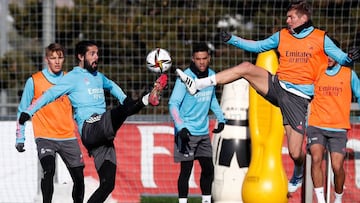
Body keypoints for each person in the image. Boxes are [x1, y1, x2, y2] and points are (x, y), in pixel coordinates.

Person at [175, 0, 360, 193]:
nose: (287, 20)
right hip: (277, 86)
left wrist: (350, 56)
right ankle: (197, 84)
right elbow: (258, 46)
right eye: (287, 16)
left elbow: (342, 58)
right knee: (246, 68)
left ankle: (297, 173)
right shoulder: (283, 35)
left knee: (296, 153)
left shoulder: (321, 38)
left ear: (304, 18)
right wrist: (232, 39)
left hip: (297, 100)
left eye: (291, 17)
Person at [18, 40, 168, 203]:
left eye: (97, 53)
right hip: (90, 127)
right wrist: (28, 112)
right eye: (92, 54)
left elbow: (111, 86)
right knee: (117, 113)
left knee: (108, 184)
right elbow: (49, 95)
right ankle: (146, 98)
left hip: (103, 137)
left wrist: (124, 99)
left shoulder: (98, 76)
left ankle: (144, 100)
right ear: (81, 57)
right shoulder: (73, 78)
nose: (96, 57)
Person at [15, 43, 85, 203]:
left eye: (60, 57)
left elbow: (80, 108)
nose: (57, 61)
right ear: (47, 60)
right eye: (53, 58)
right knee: (49, 170)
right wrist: (20, 138)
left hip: (68, 137)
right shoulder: (34, 81)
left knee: (79, 177)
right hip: (45, 137)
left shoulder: (70, 80)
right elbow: (22, 111)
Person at [169, 42, 226, 203]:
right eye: (198, 59)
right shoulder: (184, 77)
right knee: (186, 171)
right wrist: (181, 127)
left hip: (203, 133)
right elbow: (173, 104)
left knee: (209, 169)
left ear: (209, 58)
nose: (201, 62)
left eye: (204, 58)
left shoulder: (211, 75)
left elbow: (212, 98)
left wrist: (221, 118)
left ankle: (206, 201)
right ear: (193, 59)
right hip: (186, 132)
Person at [307, 39, 360, 203]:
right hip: (316, 124)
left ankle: (338, 198)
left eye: (332, 53)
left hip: (338, 128)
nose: (328, 57)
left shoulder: (349, 74)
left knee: (337, 167)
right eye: (325, 53)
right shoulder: (315, 73)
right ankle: (321, 200)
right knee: (316, 158)